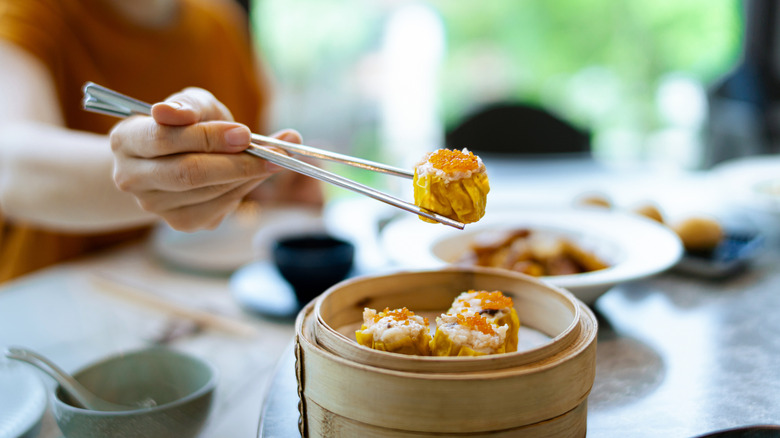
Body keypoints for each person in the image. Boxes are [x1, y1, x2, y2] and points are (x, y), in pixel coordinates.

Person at [0, 0, 322, 282]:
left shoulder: (220, 25)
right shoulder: (30, 12)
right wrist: (142, 169)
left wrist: (276, 185)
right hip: (48, 306)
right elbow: (10, 162)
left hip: (189, 296)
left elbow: (246, 182)